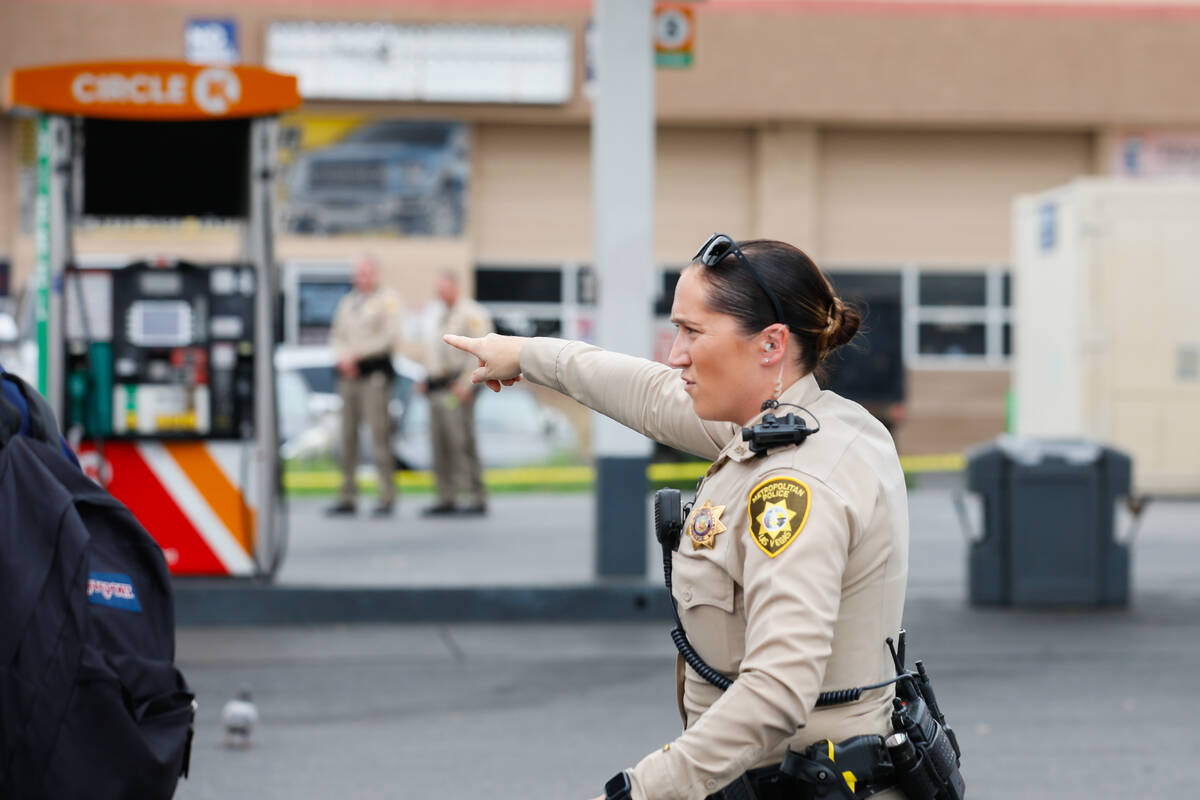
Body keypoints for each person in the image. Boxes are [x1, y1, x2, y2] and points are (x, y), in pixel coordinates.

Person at [446, 235, 910, 800]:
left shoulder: (792, 488)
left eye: (693, 332)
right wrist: (525, 354)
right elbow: (648, 392)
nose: (675, 353)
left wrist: (641, 792)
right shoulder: (822, 422)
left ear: (770, 345)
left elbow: (778, 689)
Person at [326, 254, 404, 517]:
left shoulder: (387, 300)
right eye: (358, 273)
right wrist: (342, 356)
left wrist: (355, 354)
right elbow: (336, 335)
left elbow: (389, 337)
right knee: (347, 436)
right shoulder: (348, 303)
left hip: (373, 376)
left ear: (376, 274)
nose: (361, 278)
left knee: (379, 436)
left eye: (366, 273)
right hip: (349, 377)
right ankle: (347, 494)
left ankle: (386, 495)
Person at [422, 270, 493, 515]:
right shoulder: (440, 315)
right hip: (439, 388)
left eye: (443, 287)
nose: (439, 292)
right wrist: (426, 379)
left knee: (461, 442)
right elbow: (434, 354)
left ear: (455, 286)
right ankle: (446, 497)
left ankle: (475, 496)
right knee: (439, 444)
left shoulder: (471, 314)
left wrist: (466, 384)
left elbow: (481, 351)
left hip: (458, 389)